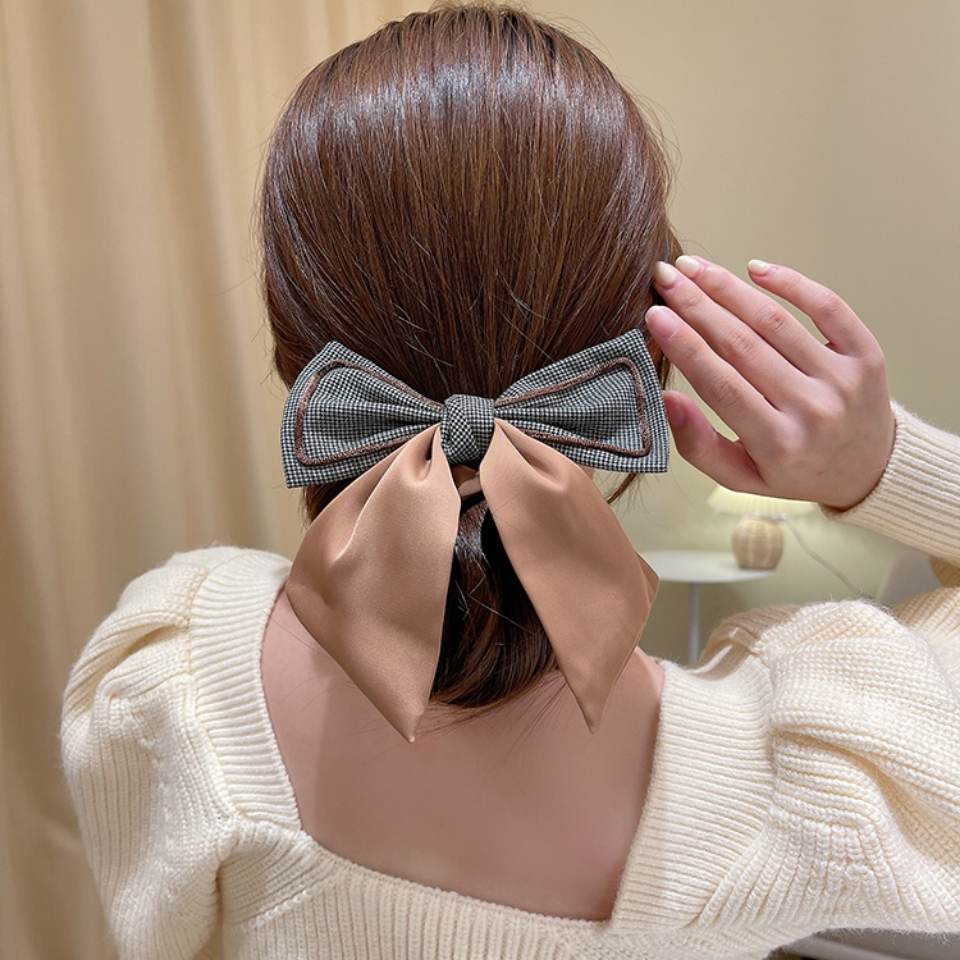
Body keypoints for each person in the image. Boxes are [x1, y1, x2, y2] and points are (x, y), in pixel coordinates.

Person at [60, 3, 959, 958]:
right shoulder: (819, 771)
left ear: (301, 361)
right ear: (643, 357)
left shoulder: (168, 680)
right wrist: (880, 467)